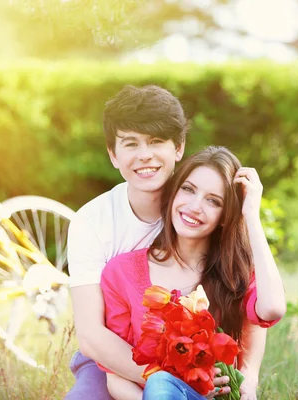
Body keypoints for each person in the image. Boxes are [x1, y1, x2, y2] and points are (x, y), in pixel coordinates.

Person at [66, 86, 268, 399]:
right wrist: (163, 380)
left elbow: (247, 299)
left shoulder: (196, 205)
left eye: (156, 141)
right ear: (113, 154)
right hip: (112, 356)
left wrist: (249, 380)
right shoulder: (91, 222)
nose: (144, 155)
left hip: (192, 361)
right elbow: (92, 337)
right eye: (130, 143)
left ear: (178, 147)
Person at [99, 146, 287, 400]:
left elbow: (272, 309)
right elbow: (115, 378)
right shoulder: (121, 272)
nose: (195, 206)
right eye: (188, 189)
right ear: (174, 193)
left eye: (213, 201)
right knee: (161, 382)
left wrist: (251, 216)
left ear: (224, 216)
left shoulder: (235, 275)